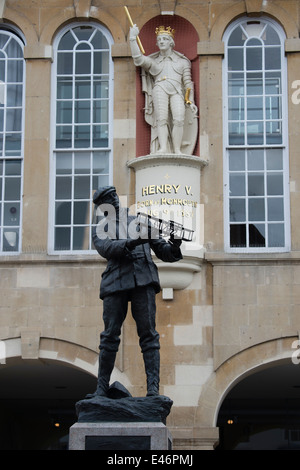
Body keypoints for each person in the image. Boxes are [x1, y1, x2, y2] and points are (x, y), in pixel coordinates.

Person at [91, 186, 183, 397]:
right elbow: (108, 249)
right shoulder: (101, 228)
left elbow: (164, 252)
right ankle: (101, 388)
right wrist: (134, 241)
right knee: (109, 336)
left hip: (143, 279)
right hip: (116, 281)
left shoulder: (140, 221)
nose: (113, 200)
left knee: (149, 335)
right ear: (101, 207)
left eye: (114, 195)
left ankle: (153, 389)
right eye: (107, 199)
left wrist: (175, 245)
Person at [129, 24, 198, 154]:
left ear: (171, 42)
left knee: (178, 119)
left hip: (177, 90)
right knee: (161, 119)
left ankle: (177, 149)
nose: (161, 41)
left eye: (165, 39)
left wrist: (190, 101)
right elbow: (138, 59)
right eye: (159, 40)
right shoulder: (154, 62)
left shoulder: (182, 62)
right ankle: (163, 148)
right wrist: (133, 38)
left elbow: (188, 83)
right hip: (160, 88)